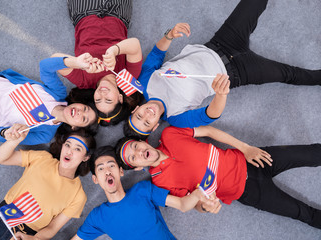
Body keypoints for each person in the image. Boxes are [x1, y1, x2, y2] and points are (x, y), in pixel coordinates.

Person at [125, 0, 321, 139]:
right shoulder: (176, 118)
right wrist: (221, 94)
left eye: (139, 115)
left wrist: (170, 35)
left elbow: (157, 54)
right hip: (238, 72)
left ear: (136, 108)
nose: (147, 114)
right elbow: (210, 115)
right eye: (147, 122)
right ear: (155, 127)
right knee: (289, 74)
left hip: (220, 43)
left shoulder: (145, 81)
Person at [115, 126, 321, 229]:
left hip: (250, 158)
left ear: (141, 141)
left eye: (135, 146)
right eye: (133, 158)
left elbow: (209, 131)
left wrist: (246, 147)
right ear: (136, 168)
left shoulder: (169, 134)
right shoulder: (160, 182)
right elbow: (190, 204)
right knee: (303, 213)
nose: (139, 152)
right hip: (247, 191)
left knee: (312, 153)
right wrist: (205, 205)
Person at [0, 123, 96, 239]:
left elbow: (53, 228)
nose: (69, 151)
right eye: (68, 145)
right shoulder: (43, 158)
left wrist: (33, 239)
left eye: (77, 148)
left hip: (22, 235)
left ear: (86, 157)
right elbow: (0, 158)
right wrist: (14, 141)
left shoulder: (78, 195)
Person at [71, 146, 211, 240]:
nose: (107, 171)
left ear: (120, 171)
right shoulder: (97, 217)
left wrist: (199, 194)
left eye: (111, 165)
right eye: (101, 169)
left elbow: (182, 204)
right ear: (95, 179)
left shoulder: (142, 190)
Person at [0, 55, 98, 145]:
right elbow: (45, 66)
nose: (81, 112)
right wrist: (76, 63)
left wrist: (7, 134)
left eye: (84, 119)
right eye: (85, 108)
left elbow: (1, 135)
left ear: (74, 127)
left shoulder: (45, 134)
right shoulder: (58, 94)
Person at [52, 0, 143, 126]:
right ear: (120, 97)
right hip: (118, 13)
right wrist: (114, 50)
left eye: (98, 100)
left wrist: (78, 63)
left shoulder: (84, 81)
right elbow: (135, 45)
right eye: (109, 99)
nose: (102, 93)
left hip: (84, 13)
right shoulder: (128, 78)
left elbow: (54, 60)